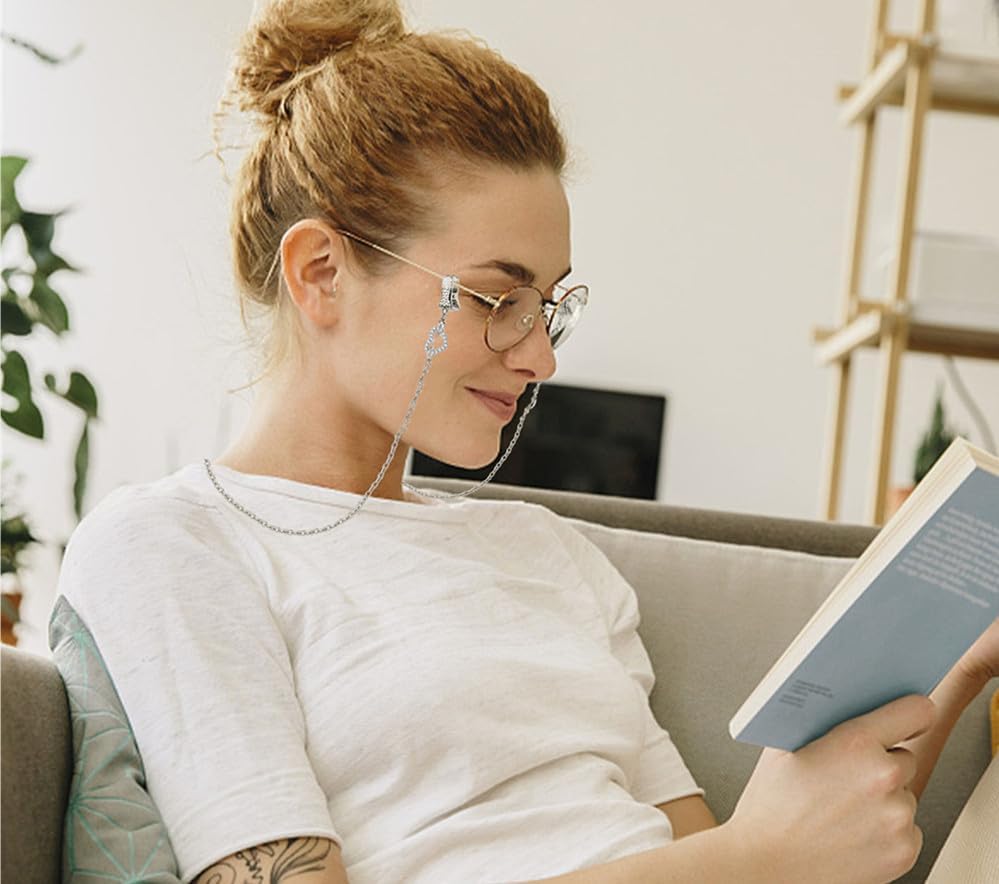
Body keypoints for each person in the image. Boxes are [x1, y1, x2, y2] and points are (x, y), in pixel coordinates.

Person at [54, 1, 999, 882]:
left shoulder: (545, 554)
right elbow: (742, 863)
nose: (540, 355)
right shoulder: (177, 542)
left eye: (548, 306)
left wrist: (958, 663)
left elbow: (733, 859)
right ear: (321, 273)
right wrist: (754, 856)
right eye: (495, 299)